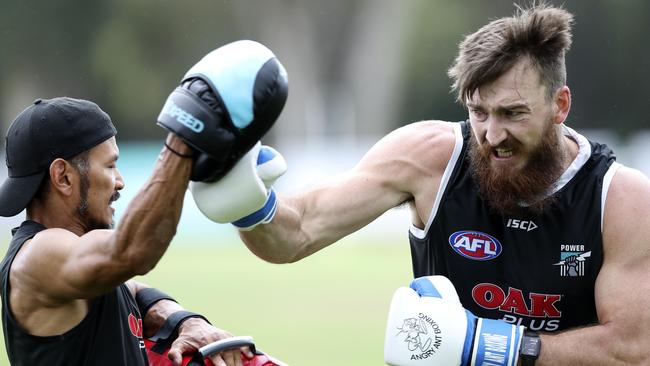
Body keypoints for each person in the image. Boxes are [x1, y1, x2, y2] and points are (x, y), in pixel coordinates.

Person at [192, 4, 650, 365]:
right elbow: (295, 234)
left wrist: (492, 347)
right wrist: (251, 206)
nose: (492, 135)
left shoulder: (621, 198)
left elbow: (634, 350)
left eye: (513, 113)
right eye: (478, 111)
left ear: (560, 104)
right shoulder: (430, 158)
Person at [0, 40, 288, 366]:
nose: (120, 181)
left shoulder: (76, 260)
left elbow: (130, 287)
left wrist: (181, 319)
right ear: (63, 177)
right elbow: (131, 252)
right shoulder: (39, 256)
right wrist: (184, 139)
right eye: (109, 166)